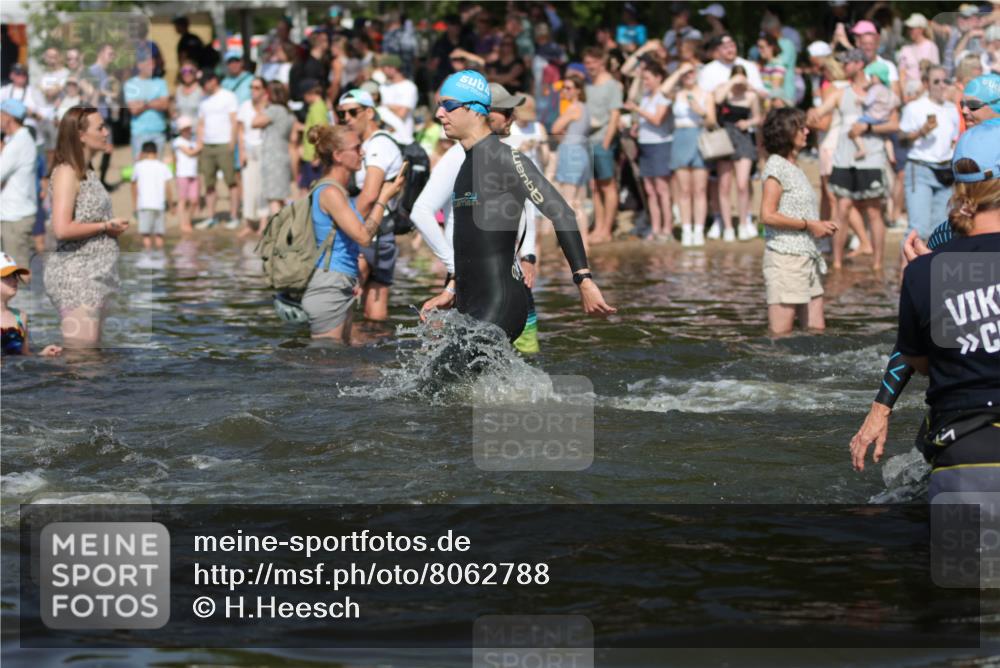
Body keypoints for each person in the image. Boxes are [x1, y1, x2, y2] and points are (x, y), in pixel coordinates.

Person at [851, 120, 1000, 498]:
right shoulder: (936, 254)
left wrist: (930, 279)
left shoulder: (925, 269)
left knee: (962, 558)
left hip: (964, 453)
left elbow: (922, 360)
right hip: (966, 438)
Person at [420, 70, 615, 347]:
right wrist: (451, 289)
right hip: (468, 305)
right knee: (451, 387)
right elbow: (470, 244)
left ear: (476, 111)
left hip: (501, 305)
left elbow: (562, 212)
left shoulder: (506, 158)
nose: (439, 114)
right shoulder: (465, 163)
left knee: (440, 385)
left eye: (448, 105)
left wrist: (583, 280)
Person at [299, 125, 406, 342]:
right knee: (324, 364)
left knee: (346, 359)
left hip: (340, 283)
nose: (363, 153)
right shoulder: (330, 193)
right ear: (338, 156)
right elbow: (364, 237)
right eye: (357, 148)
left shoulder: (338, 191)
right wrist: (383, 197)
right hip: (328, 287)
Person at [44, 106, 129, 349]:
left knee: (92, 357)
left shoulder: (88, 172)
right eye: (100, 127)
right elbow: (61, 229)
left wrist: (108, 229)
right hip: (76, 277)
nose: (106, 131)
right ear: (81, 135)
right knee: (82, 360)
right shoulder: (67, 172)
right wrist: (105, 226)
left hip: (95, 275)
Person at [808, 49, 895, 271]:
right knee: (842, 208)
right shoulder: (839, 92)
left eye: (847, 63)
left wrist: (869, 126)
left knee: (874, 210)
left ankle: (877, 264)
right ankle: (837, 263)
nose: (843, 67)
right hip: (844, 158)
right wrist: (810, 114)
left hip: (872, 157)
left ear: (859, 64)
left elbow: (895, 123)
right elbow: (819, 112)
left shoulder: (880, 92)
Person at [759, 108, 838, 335]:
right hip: (785, 260)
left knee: (817, 332)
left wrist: (819, 224)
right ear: (785, 132)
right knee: (780, 335)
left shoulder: (795, 166)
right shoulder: (776, 166)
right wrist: (809, 225)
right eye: (799, 127)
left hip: (807, 258)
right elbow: (768, 215)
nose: (806, 131)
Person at [336, 88, 402, 323]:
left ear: (369, 112)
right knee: (375, 308)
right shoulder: (369, 144)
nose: (347, 119)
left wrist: (346, 227)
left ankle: (345, 354)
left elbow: (370, 194)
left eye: (353, 113)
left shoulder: (378, 145)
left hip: (370, 231)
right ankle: (377, 355)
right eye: (342, 114)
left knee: (343, 303)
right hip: (382, 234)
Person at [898, 66, 960, 241]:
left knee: (940, 231)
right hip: (920, 168)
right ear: (926, 84)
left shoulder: (952, 109)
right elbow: (901, 139)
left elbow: (952, 140)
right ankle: (906, 268)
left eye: (945, 81)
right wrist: (921, 132)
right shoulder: (915, 107)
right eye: (936, 81)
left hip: (946, 170)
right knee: (918, 229)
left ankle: (931, 268)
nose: (942, 85)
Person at [662, 62, 713, 248]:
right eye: (685, 73)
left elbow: (712, 121)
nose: (688, 75)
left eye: (691, 72)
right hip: (680, 137)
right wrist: (679, 71)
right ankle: (686, 229)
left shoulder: (707, 94)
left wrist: (701, 111)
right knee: (683, 190)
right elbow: (663, 89)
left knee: (699, 190)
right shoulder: (678, 93)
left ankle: (698, 229)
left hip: (699, 137)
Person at [623, 61, 672, 241]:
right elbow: (646, 118)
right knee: (650, 190)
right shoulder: (645, 97)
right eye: (643, 79)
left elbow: (658, 120)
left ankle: (667, 228)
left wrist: (636, 110)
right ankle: (656, 226)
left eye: (648, 79)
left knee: (662, 189)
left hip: (660, 145)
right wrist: (636, 126)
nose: (645, 82)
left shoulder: (663, 97)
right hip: (645, 144)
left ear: (659, 78)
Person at [712, 67, 762, 242]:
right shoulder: (724, 91)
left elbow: (758, 117)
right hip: (725, 138)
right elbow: (717, 100)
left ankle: (743, 222)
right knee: (724, 185)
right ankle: (727, 227)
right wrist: (732, 82)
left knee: (742, 184)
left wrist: (747, 122)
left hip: (743, 138)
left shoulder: (750, 96)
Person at [583, 47, 624, 244]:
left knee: (608, 185)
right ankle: (598, 228)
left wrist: (607, 142)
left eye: (592, 63)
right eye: (587, 63)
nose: (588, 67)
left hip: (603, 142)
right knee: (595, 187)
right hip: (588, 142)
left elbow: (615, 116)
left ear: (601, 62)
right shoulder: (588, 85)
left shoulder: (612, 85)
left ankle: (607, 229)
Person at [194, 71, 239, 230]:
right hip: (207, 145)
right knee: (209, 182)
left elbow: (234, 122)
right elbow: (201, 123)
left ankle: (233, 215)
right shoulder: (203, 100)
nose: (203, 87)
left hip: (224, 143)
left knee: (231, 181)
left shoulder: (228, 96)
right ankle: (211, 216)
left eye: (205, 83)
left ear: (213, 80)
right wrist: (199, 144)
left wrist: (232, 143)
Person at [552, 73, 592, 249]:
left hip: (571, 152)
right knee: (578, 201)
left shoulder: (573, 108)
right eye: (563, 88)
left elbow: (555, 128)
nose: (565, 91)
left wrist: (563, 138)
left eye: (568, 88)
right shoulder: (585, 107)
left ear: (577, 90)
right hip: (581, 152)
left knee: (569, 200)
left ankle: (572, 242)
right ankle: (584, 241)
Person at [1, 99, 38, 269]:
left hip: (15, 218)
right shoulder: (20, 139)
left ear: (8, 117)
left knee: (16, 278)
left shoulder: (17, 143)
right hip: (14, 216)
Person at [1, 253, 61, 357]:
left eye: (15, 275)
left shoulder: (20, 317)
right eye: (7, 276)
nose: (15, 280)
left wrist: (43, 354)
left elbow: (25, 355)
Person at [255, 81, 296, 219]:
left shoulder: (274, 110)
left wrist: (261, 105)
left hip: (272, 157)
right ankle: (287, 228)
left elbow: (255, 122)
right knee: (280, 197)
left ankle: (279, 230)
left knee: (273, 198)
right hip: (283, 154)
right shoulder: (288, 112)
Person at [237, 77, 268, 237]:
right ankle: (249, 223)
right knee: (249, 186)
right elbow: (240, 130)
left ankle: (263, 223)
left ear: (264, 90)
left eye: (257, 87)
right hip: (249, 148)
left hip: (264, 148)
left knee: (262, 187)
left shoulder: (269, 107)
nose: (253, 90)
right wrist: (241, 151)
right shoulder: (244, 106)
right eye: (251, 87)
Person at [124, 50, 169, 158]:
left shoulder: (161, 82)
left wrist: (143, 103)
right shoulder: (130, 84)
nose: (152, 67)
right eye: (149, 64)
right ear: (140, 65)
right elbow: (133, 110)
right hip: (139, 133)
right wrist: (154, 102)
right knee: (141, 168)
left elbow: (165, 105)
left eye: (154, 64)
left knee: (157, 168)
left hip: (158, 132)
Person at [130, 141, 173, 251]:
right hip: (159, 206)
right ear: (156, 152)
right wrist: (171, 206)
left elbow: (133, 186)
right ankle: (160, 260)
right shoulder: (163, 166)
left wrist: (134, 205)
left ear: (143, 152)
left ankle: (147, 260)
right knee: (159, 236)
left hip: (144, 205)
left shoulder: (138, 166)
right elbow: (168, 188)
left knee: (146, 235)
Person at [852, 61, 895, 161]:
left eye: (871, 76)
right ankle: (891, 155)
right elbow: (895, 101)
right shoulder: (887, 89)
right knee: (886, 137)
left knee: (855, 127)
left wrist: (860, 99)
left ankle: (862, 149)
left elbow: (868, 101)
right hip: (885, 118)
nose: (870, 79)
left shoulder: (875, 89)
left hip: (873, 117)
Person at [897, 13, 940, 101]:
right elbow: (902, 73)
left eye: (913, 28)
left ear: (921, 29)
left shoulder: (931, 47)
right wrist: (904, 94)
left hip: (925, 90)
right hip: (908, 90)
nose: (910, 31)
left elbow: (933, 74)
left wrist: (917, 94)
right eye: (909, 28)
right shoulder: (905, 49)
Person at [378, 54, 418, 143]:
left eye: (384, 68)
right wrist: (394, 107)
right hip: (385, 136)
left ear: (393, 68)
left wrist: (386, 107)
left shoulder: (409, 87)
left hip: (403, 136)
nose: (382, 71)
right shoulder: (383, 86)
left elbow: (402, 113)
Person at [298, 79, 329, 196]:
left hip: (313, 156)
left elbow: (320, 131)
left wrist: (317, 155)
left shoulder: (317, 108)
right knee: (305, 188)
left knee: (310, 190)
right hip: (310, 155)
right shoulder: (316, 107)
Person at [171, 116, 199, 234]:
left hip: (194, 174)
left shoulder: (194, 140)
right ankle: (183, 223)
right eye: (185, 129)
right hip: (182, 174)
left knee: (194, 200)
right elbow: (190, 152)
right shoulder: (178, 141)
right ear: (180, 130)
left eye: (189, 128)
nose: (187, 130)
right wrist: (200, 147)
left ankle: (188, 221)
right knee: (182, 200)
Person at [172, 61, 203, 129]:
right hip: (181, 131)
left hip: (195, 131)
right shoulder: (178, 90)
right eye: (184, 71)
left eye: (190, 71)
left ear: (196, 72)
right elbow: (175, 110)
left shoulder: (201, 90)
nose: (187, 73)